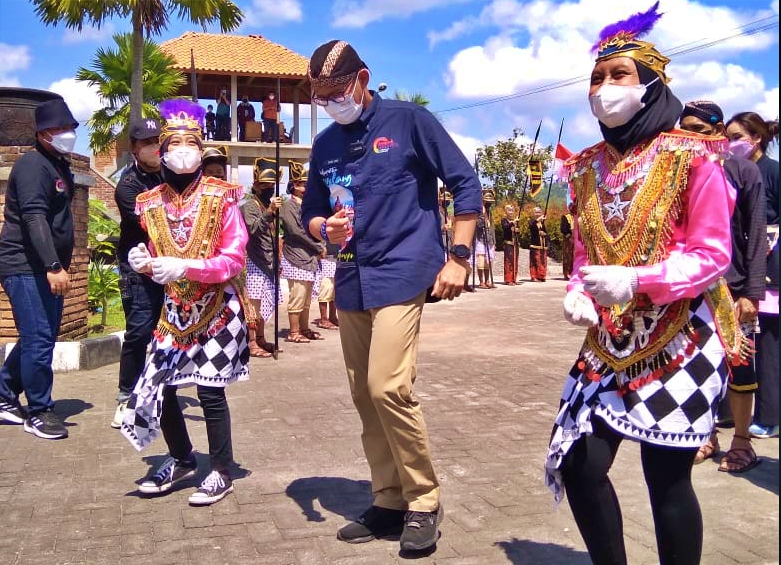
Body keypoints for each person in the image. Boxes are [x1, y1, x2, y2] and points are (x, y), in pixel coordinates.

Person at [544, 5, 745, 564]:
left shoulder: (695, 157)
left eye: (618, 76)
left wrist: (639, 279)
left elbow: (712, 255)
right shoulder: (584, 168)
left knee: (666, 475)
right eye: (595, 79)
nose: (603, 89)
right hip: (608, 342)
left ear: (653, 84)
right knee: (580, 464)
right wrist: (579, 291)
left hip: (681, 339)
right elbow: (585, 246)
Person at [301, 39, 482, 553]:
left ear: (364, 78)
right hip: (352, 276)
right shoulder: (325, 146)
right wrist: (323, 227)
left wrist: (459, 257)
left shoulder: (409, 122)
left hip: (404, 272)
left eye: (339, 91)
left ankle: (424, 500)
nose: (333, 102)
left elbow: (466, 184)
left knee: (387, 387)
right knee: (363, 395)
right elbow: (312, 210)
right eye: (322, 97)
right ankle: (388, 499)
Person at [120, 99, 249, 506]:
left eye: (190, 142)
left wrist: (187, 267)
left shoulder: (223, 196)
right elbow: (158, 256)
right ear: (161, 149)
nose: (182, 150)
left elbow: (234, 259)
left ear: (201, 147)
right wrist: (141, 262)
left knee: (210, 391)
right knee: (165, 387)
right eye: (173, 142)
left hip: (217, 310)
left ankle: (223, 470)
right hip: (174, 311)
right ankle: (181, 458)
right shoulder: (149, 201)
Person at [679, 100, 767, 472]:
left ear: (717, 132)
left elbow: (757, 233)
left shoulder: (743, 170)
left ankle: (743, 441)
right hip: (690, 287)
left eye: (698, 130)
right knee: (696, 363)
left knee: (739, 363)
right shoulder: (675, 171)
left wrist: (752, 293)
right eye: (684, 129)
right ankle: (706, 435)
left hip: (732, 286)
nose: (689, 137)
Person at [0, 97, 78, 440]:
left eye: (71, 128)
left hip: (44, 267)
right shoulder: (33, 165)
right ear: (44, 133)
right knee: (39, 339)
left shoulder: (56, 164)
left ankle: (3, 396)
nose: (68, 134)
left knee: (37, 336)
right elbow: (34, 218)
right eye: (61, 129)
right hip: (25, 265)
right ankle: (39, 410)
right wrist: (51, 265)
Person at [725, 111, 780, 440]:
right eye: (727, 138)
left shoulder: (772, 172)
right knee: (739, 345)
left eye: (736, 138)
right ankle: (734, 411)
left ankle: (770, 415)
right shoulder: (730, 171)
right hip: (738, 267)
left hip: (770, 270)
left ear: (755, 139)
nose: (730, 144)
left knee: (769, 345)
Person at [111, 117, 165, 429]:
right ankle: (125, 396)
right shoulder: (128, 186)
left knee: (168, 330)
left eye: (157, 140)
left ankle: (157, 389)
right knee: (139, 331)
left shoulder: (172, 175)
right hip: (139, 268)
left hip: (169, 267)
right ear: (134, 147)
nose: (153, 147)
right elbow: (153, 222)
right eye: (146, 142)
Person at [241, 157, 284, 357]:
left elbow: (275, 237)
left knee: (265, 303)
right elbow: (254, 229)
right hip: (254, 261)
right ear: (256, 186)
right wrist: (269, 212)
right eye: (265, 185)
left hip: (269, 262)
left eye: (272, 186)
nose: (269, 189)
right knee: (254, 306)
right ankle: (251, 341)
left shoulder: (271, 207)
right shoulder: (249, 205)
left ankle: (260, 337)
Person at [280, 160, 323, 343]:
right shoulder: (288, 206)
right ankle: (294, 331)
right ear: (295, 186)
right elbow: (296, 232)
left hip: (309, 257)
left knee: (306, 299)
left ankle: (304, 329)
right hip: (296, 256)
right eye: (303, 185)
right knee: (297, 296)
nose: (306, 189)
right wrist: (317, 245)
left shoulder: (306, 206)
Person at [314, 241, 340, 330]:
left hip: (337, 260)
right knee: (325, 290)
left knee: (334, 293)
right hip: (325, 261)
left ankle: (332, 317)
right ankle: (324, 319)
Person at [474, 190, 496, 289]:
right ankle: (481, 281)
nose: (489, 204)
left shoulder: (490, 213)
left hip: (489, 240)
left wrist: (494, 241)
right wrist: (482, 215)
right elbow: (478, 225)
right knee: (481, 262)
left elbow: (492, 227)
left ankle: (487, 280)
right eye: (487, 202)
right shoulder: (478, 212)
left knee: (488, 262)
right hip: (480, 239)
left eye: (490, 202)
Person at [501, 204, 520, 285]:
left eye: (512, 210)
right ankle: (508, 279)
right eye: (509, 210)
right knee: (509, 261)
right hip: (508, 242)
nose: (511, 212)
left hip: (515, 243)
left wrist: (517, 230)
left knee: (515, 261)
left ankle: (514, 279)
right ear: (506, 211)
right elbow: (506, 227)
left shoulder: (515, 220)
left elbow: (518, 232)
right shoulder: (504, 220)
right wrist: (512, 223)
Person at [528, 207, 547, 282]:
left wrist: (544, 233)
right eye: (536, 212)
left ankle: (541, 276)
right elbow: (531, 227)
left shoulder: (542, 223)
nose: (538, 214)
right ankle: (534, 276)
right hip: (535, 243)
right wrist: (538, 220)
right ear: (533, 213)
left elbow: (545, 232)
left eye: (539, 212)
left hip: (542, 244)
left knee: (542, 261)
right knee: (534, 260)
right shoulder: (532, 221)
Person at [560, 202, 575, 280]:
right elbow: (563, 228)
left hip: (578, 240)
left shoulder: (578, 217)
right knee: (567, 256)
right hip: (568, 239)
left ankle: (574, 272)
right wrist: (569, 236)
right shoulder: (565, 217)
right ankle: (566, 273)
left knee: (575, 256)